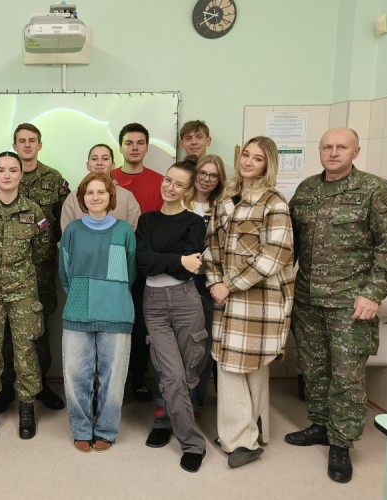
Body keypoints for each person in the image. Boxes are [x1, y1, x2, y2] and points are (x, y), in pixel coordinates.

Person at [285, 127, 387, 483]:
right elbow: (289, 241)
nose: (333, 152)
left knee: (347, 376)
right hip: (308, 299)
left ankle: (341, 443)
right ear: (319, 151)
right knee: (315, 369)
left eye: (341, 147)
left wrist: (373, 293)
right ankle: (320, 425)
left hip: (351, 303)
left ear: (356, 152)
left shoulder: (374, 191)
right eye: (327, 147)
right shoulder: (307, 189)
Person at [203, 136, 294, 469]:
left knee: (248, 367)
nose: (249, 162)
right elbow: (211, 247)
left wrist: (230, 284)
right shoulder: (225, 200)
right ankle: (244, 434)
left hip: (260, 301)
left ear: (267, 165)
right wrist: (215, 282)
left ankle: (241, 438)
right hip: (226, 298)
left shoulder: (274, 201)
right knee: (232, 364)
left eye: (258, 158)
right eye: (247, 155)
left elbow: (278, 253)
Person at [0, 123, 69, 412]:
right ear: (15, 145)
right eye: (21, 141)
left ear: (40, 145)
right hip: (1, 274)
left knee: (37, 330)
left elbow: (63, 223)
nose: (27, 145)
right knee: (2, 332)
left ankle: (39, 387)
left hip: (40, 270)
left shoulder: (54, 179)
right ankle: (5, 387)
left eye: (32, 141)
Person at [0, 152, 50, 441]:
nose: (6, 175)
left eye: (12, 170)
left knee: (25, 349)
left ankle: (27, 407)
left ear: (19, 175)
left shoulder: (34, 211)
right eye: (1, 169)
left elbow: (41, 248)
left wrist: (20, 272)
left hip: (24, 290)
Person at [136, 159, 208, 472]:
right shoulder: (148, 220)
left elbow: (186, 271)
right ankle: (192, 443)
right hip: (153, 301)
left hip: (185, 300)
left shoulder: (194, 222)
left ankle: (164, 420)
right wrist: (177, 258)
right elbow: (143, 262)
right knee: (172, 374)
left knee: (188, 372)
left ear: (189, 190)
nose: (170, 187)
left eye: (179, 184)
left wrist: (165, 259)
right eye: (168, 180)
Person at [60, 171, 136, 453]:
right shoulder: (73, 231)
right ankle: (81, 429)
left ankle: (105, 429)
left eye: (101, 192)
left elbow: (130, 272)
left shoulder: (124, 231)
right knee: (75, 373)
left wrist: (109, 293)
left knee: (113, 376)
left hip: (115, 310)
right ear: (82, 198)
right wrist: (82, 294)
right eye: (90, 192)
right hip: (78, 310)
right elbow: (64, 272)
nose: (95, 197)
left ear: (110, 197)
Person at [111, 122, 164, 404]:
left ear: (146, 146)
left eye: (140, 143)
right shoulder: (106, 179)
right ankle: (111, 379)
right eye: (129, 142)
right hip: (113, 264)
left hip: (145, 265)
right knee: (115, 321)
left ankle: (138, 378)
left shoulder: (159, 181)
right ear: (120, 146)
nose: (134, 147)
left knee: (141, 324)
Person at [189, 154, 228, 415]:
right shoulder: (181, 201)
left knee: (207, 342)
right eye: (202, 173)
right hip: (184, 278)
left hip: (213, 281)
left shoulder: (225, 207)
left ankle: (199, 402)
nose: (206, 179)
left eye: (213, 175)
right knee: (189, 344)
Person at [60, 144, 141, 232]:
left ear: (113, 165)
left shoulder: (127, 197)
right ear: (87, 165)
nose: (99, 163)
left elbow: (134, 234)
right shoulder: (73, 198)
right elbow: (67, 234)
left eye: (105, 159)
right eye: (94, 159)